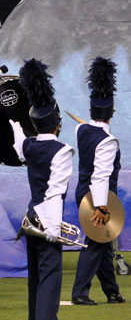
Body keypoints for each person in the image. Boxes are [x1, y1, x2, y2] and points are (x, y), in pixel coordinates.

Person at [10, 58, 73, 320]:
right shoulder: (61, 151)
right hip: (46, 219)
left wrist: (18, 130)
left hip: (30, 216)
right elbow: (55, 191)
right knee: (50, 277)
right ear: (58, 124)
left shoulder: (29, 146)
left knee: (35, 279)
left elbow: (20, 145)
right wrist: (53, 228)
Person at [70, 57, 125, 305]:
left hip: (82, 190)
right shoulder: (108, 140)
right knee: (95, 241)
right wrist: (101, 206)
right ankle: (80, 292)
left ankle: (111, 291)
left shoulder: (81, 130)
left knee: (103, 241)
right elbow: (101, 174)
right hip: (99, 194)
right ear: (111, 113)